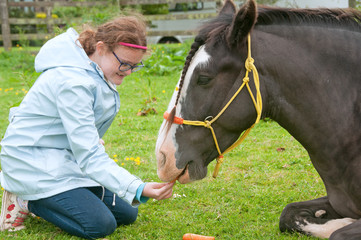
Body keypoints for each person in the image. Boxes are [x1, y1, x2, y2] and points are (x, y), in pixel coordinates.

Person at [0, 15, 174, 239]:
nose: (128, 71)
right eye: (124, 63)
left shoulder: (94, 70)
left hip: (60, 157)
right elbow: (89, 155)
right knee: (99, 225)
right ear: (100, 48)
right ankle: (24, 199)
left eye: (134, 65)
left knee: (127, 213)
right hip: (31, 162)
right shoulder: (73, 82)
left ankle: (51, 195)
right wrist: (137, 186)